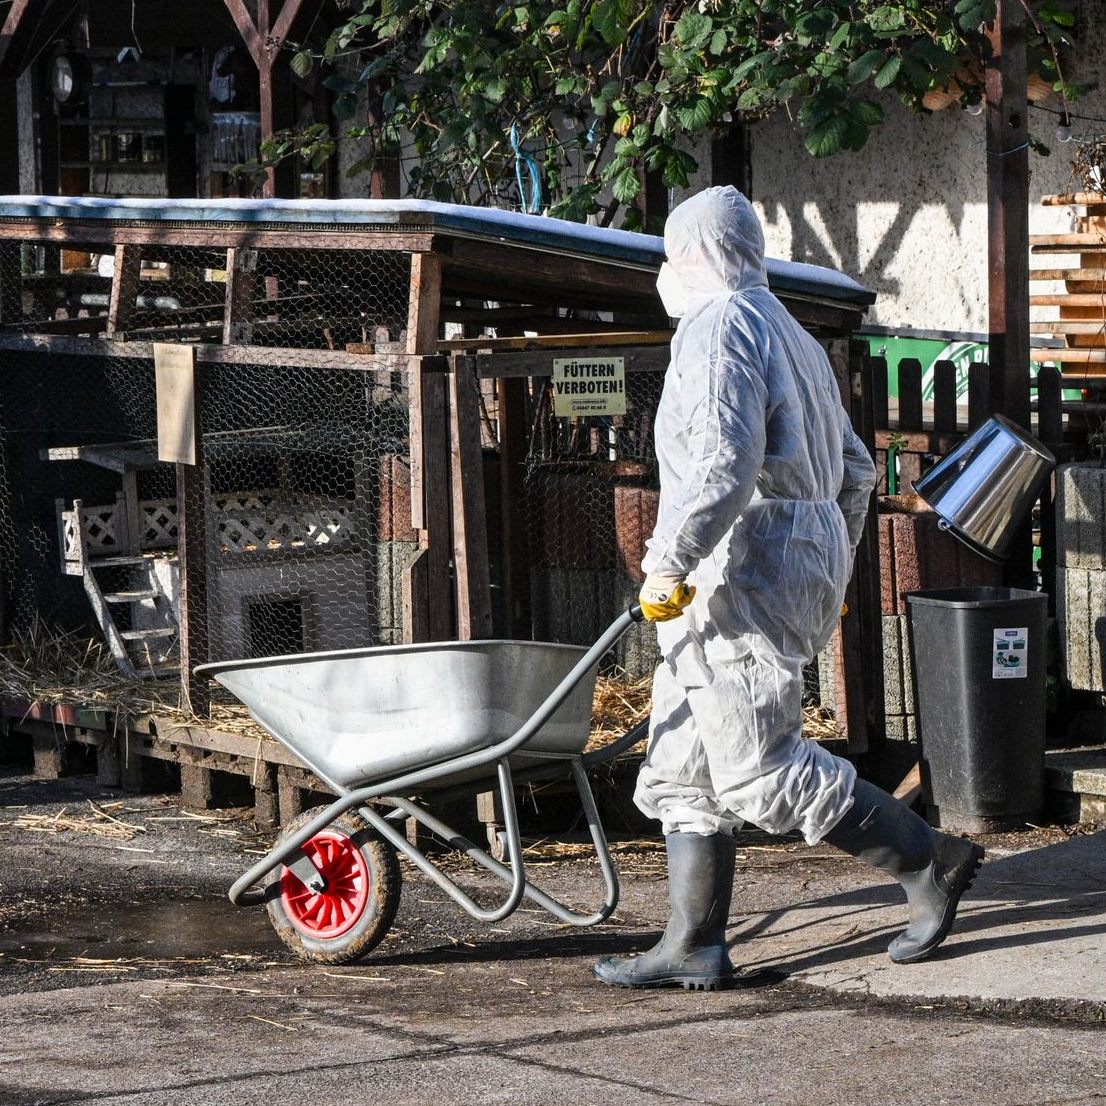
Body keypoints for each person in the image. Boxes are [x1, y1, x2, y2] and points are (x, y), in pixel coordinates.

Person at [593, 187, 984, 991]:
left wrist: (668, 560)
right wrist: (826, 556)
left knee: (756, 767)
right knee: (684, 764)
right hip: (787, 556)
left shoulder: (719, 327)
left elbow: (717, 464)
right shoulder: (793, 333)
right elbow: (855, 468)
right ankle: (693, 943)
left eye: (673, 257)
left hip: (737, 566)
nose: (668, 274)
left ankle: (929, 861)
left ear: (695, 256)